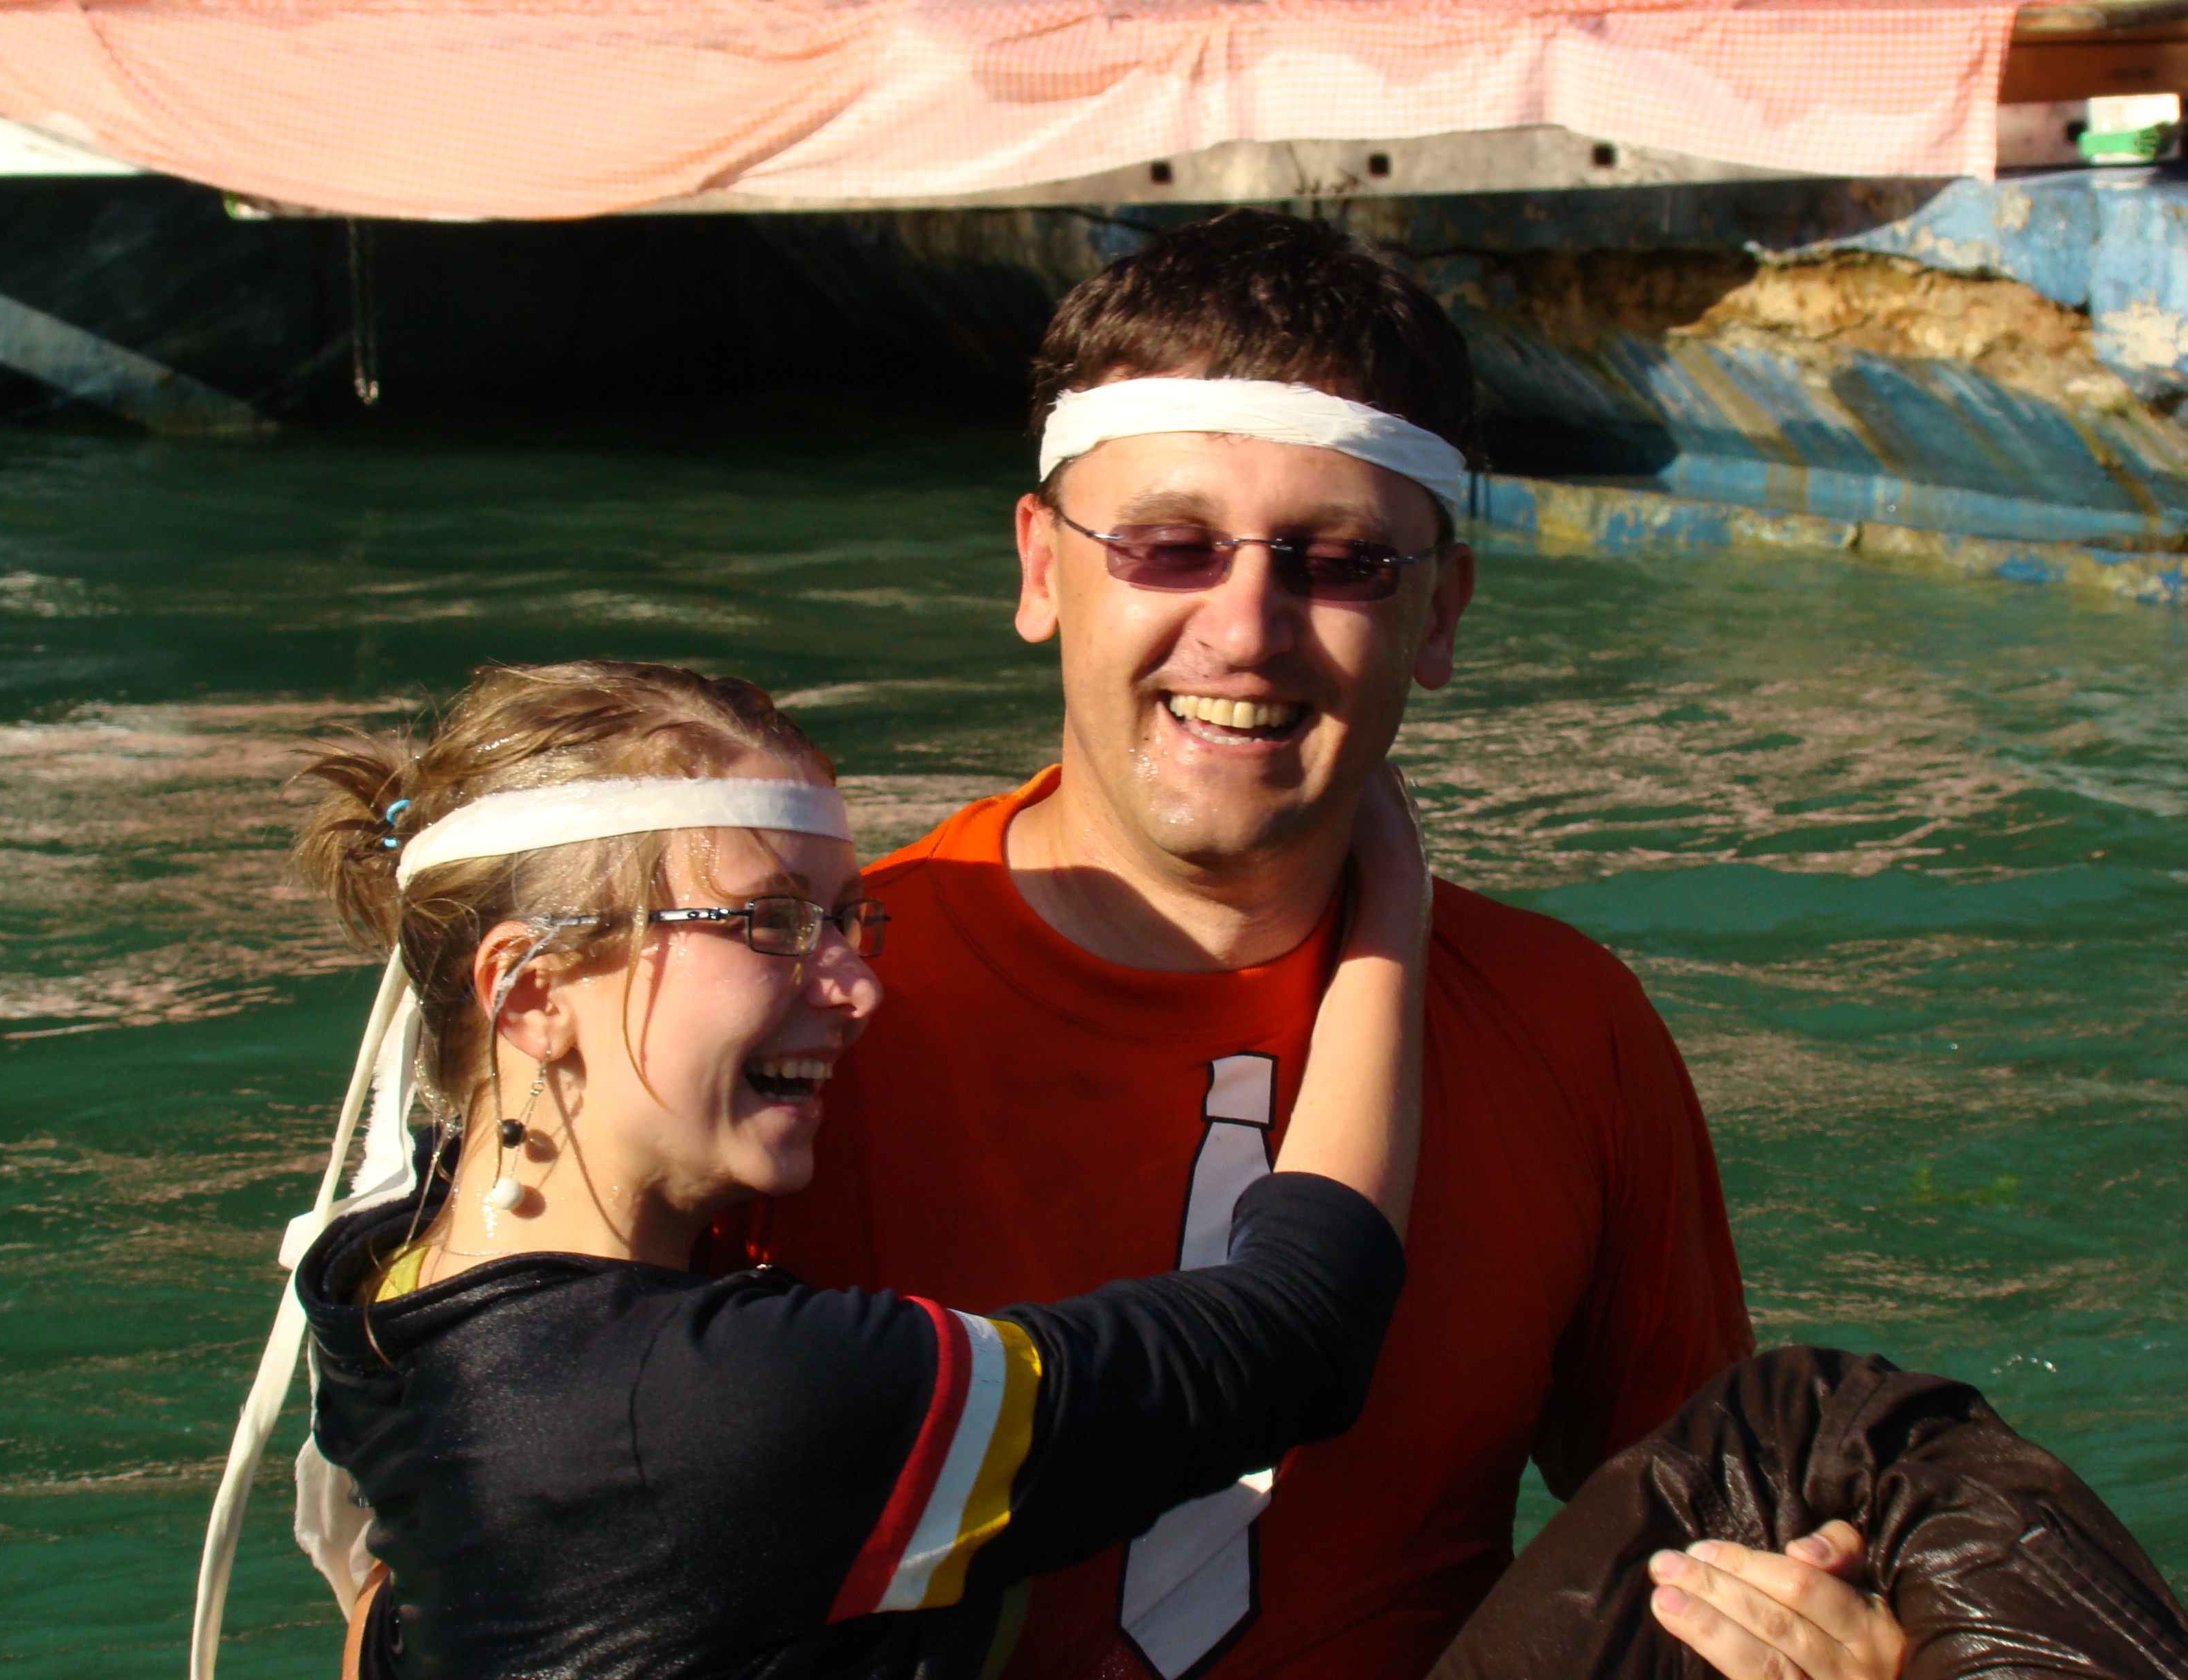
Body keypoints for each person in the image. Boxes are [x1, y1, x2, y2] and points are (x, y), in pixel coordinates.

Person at [720, 210, 2187, 1680]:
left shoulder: (1565, 1024)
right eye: (1170, 547)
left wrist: (1830, 1643)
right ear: (1044, 569)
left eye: (1342, 561)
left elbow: (1706, 1512)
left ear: (1441, 613)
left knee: (1869, 1447)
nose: (1248, 628)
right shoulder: (802, 1010)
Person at [275, 658, 1436, 1680]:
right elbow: (1300, 1333)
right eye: (771, 924)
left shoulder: (379, 1287)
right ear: (531, 990)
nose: (860, 985)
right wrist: (1391, 905)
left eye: (848, 919)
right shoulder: (730, 1404)